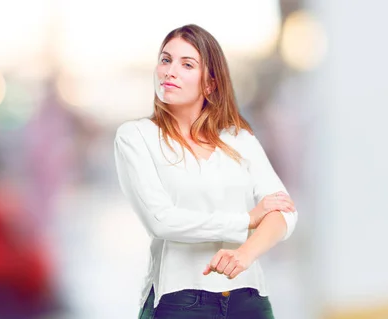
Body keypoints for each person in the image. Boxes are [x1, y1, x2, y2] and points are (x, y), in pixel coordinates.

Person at [114, 24, 298, 319]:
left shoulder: (239, 139)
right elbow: (161, 220)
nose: (170, 71)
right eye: (165, 60)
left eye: (187, 64)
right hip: (180, 301)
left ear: (210, 84)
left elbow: (284, 212)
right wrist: (247, 220)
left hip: (247, 299)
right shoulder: (136, 137)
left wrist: (244, 254)